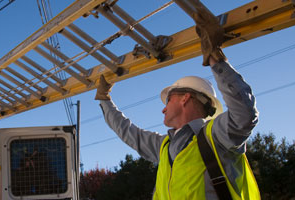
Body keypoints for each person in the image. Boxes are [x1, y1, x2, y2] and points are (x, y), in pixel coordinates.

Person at [95, 30, 260, 199]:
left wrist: (215, 60)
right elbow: (127, 132)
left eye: (168, 101)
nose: (163, 109)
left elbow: (245, 115)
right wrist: (104, 99)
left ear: (185, 98)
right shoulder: (164, 146)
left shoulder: (216, 137)